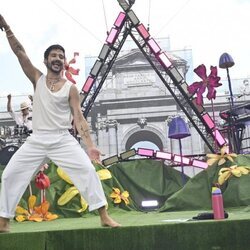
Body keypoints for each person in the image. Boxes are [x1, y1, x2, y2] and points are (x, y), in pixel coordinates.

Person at [0, 14, 120, 232]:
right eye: (53, 55)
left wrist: (90, 145)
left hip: (61, 138)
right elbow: (20, 53)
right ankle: (4, 221)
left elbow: (79, 117)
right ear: (46, 61)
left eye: (61, 56)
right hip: (37, 139)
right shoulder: (36, 78)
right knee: (10, 174)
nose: (57, 58)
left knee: (87, 170)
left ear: (63, 62)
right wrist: (6, 27)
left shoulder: (70, 88)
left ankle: (103, 216)